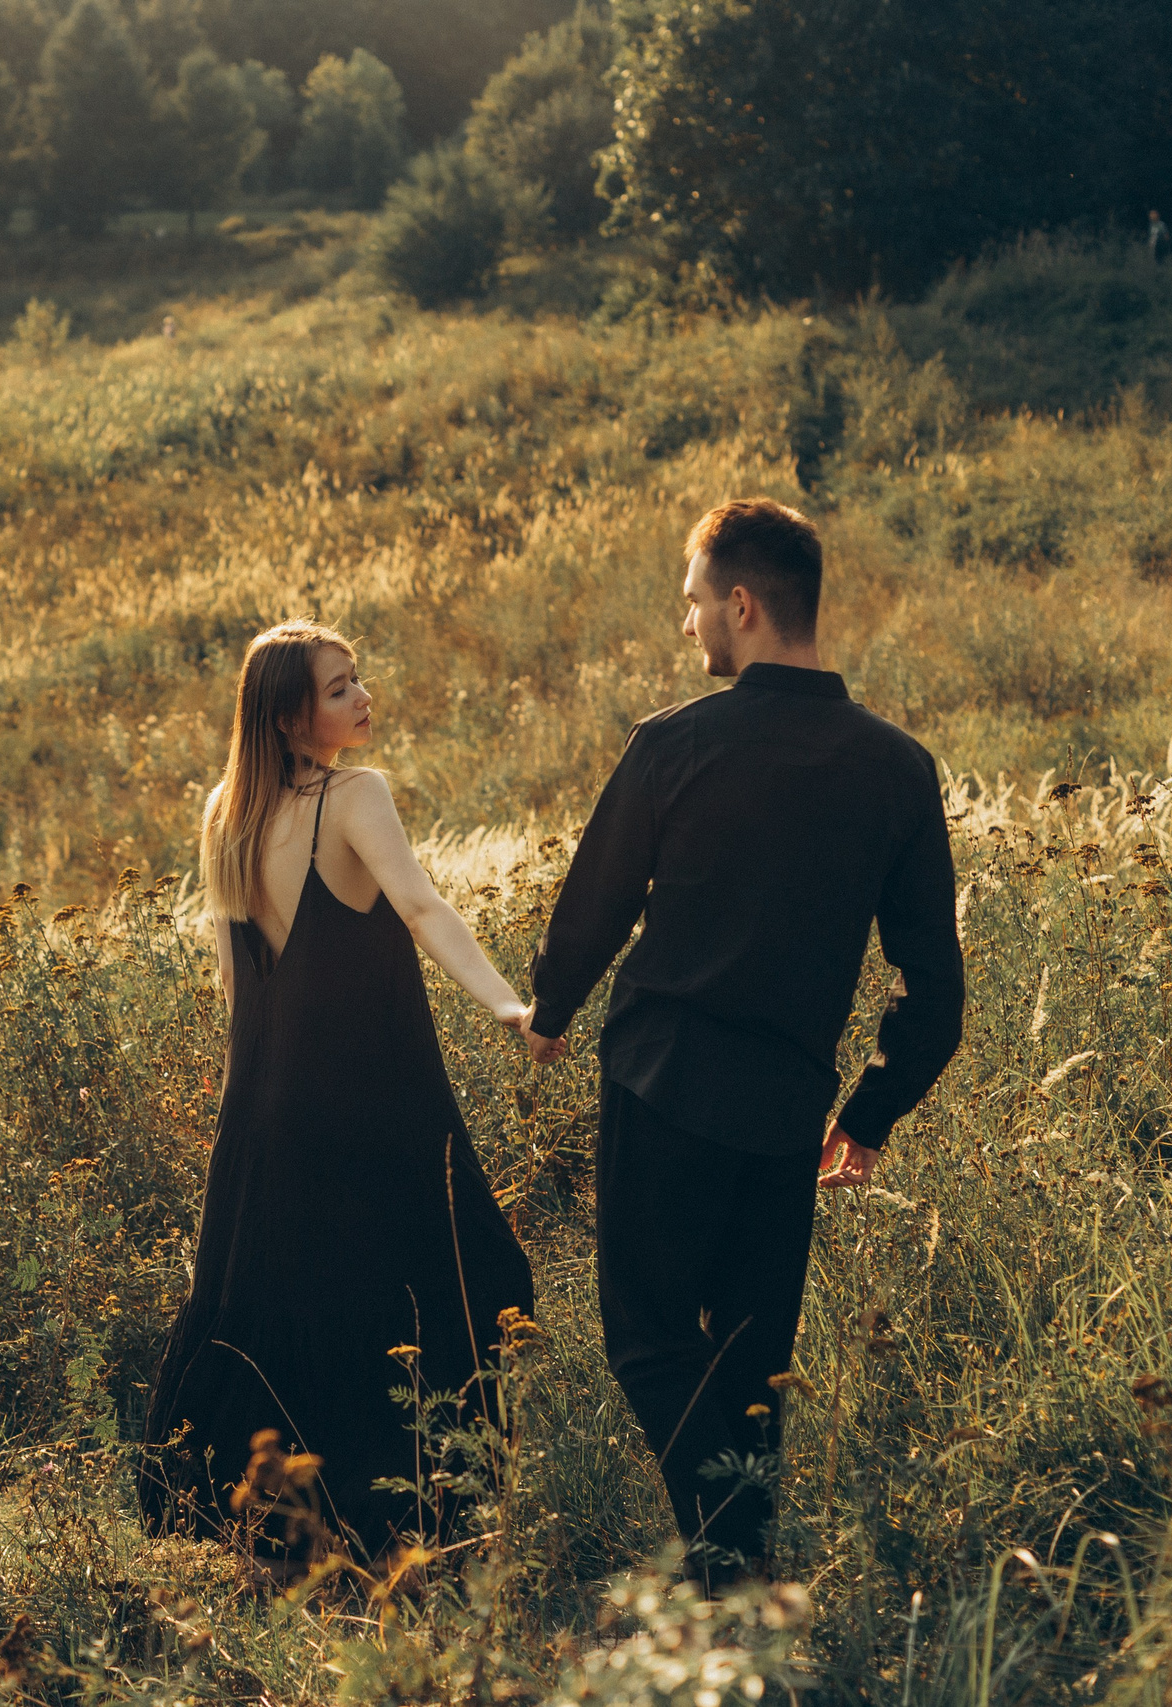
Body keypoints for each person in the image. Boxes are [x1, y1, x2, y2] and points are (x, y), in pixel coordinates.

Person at [522, 499, 963, 1587]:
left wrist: (551, 1011)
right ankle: (747, 1578)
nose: (688, 630)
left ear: (742, 603)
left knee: (648, 1335)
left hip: (661, 1081)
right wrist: (870, 1109)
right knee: (754, 1358)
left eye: (692, 605)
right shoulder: (897, 768)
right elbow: (936, 988)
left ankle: (725, 1557)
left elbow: (595, 904)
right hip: (785, 1108)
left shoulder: (675, 744)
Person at [141, 620, 537, 1561]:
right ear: (287, 718)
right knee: (468, 1277)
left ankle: (276, 1522)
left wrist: (239, 1135)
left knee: (291, 1309)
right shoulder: (357, 794)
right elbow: (423, 904)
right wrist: (508, 1006)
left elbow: (236, 984)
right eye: (338, 688)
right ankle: (415, 1513)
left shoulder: (224, 812)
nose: (363, 698)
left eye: (358, 679)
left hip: (266, 1110)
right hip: (370, 1101)